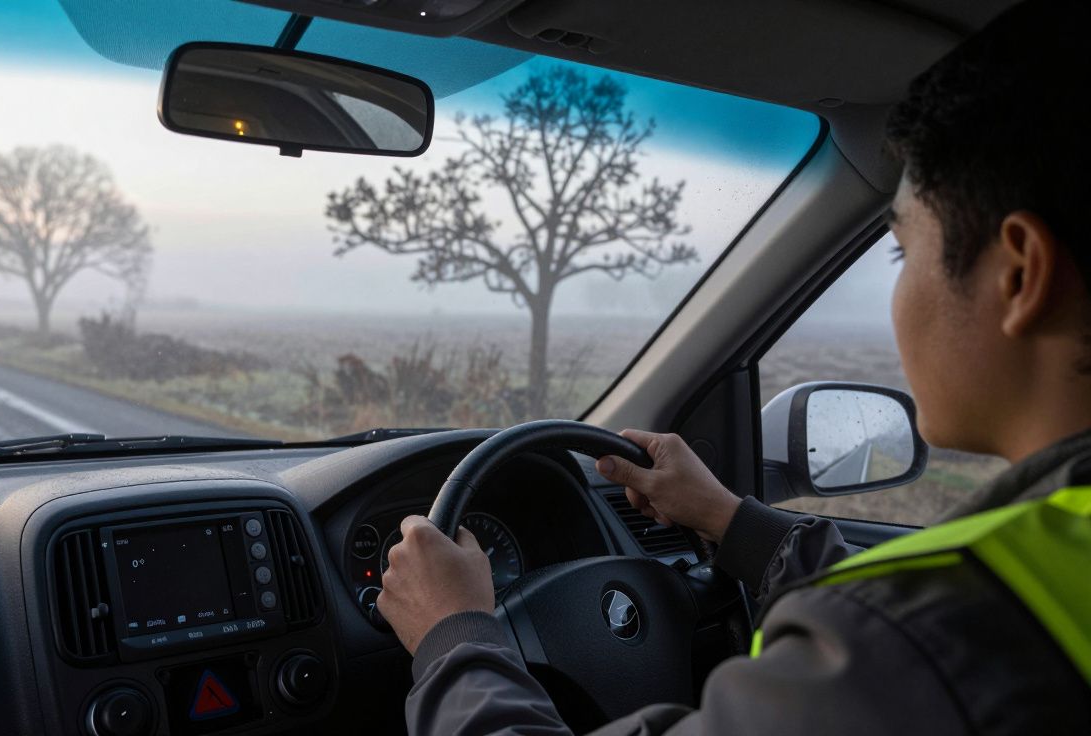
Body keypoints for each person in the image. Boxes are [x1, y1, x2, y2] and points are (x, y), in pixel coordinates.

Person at [376, 0, 1091, 732]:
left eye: (903, 253)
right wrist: (726, 518)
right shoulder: (976, 619)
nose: (899, 297)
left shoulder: (916, 642)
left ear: (1017, 276)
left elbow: (912, 642)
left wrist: (453, 634)